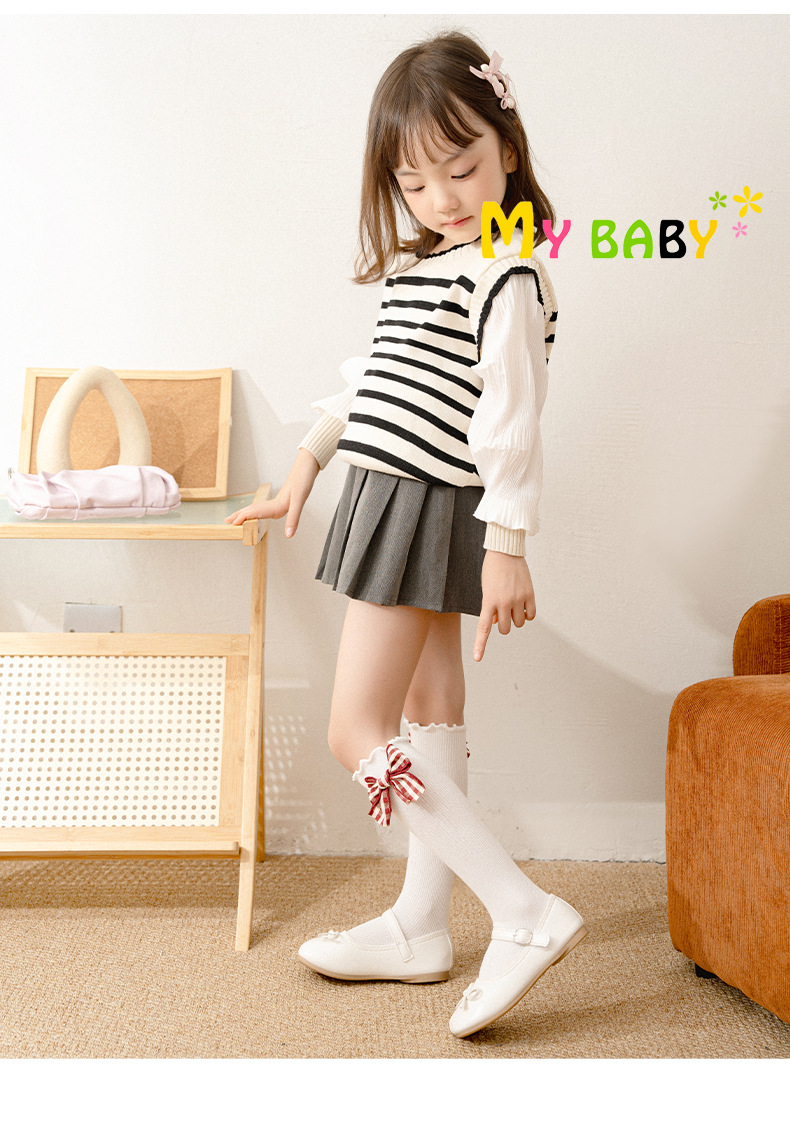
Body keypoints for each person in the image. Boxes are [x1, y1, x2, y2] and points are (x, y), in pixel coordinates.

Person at [227, 30, 586, 1038]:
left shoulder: (507, 272)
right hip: (394, 490)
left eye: (460, 168)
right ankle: (421, 927)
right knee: (429, 705)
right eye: (413, 181)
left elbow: (511, 418)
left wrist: (508, 541)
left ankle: (522, 910)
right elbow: (382, 383)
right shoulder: (429, 266)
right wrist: (308, 459)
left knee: (356, 728)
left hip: (427, 500)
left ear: (506, 147)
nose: (441, 197)